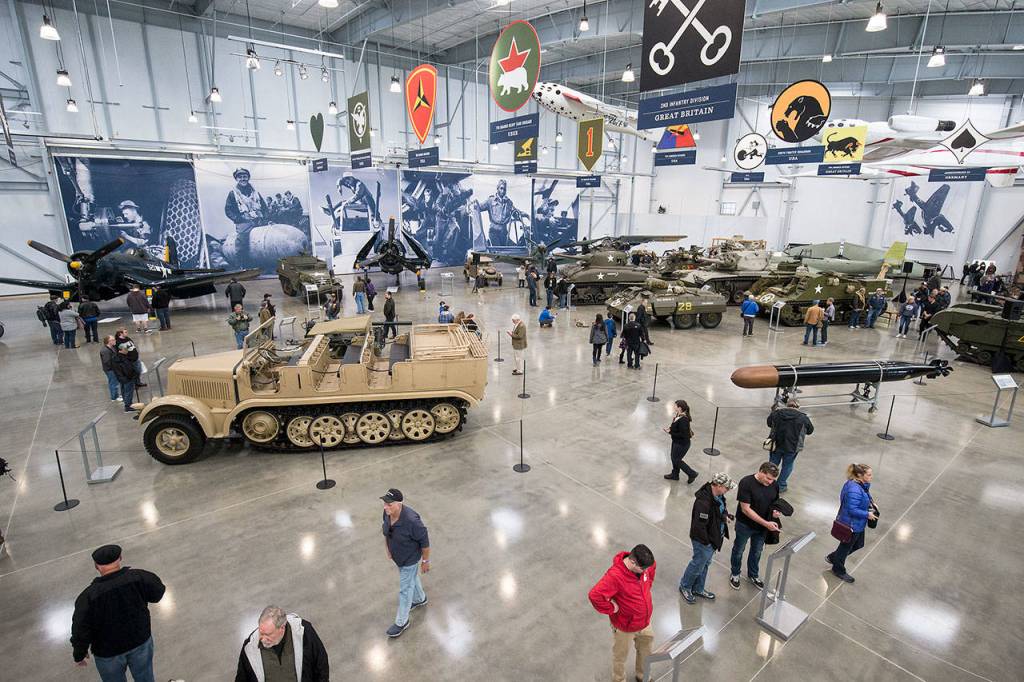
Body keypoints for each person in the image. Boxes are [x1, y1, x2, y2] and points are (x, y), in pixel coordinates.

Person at [71, 544, 165, 682]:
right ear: (120, 558)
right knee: (145, 677)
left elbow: (80, 629)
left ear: (96, 566)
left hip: (108, 654)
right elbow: (158, 593)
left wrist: (79, 653)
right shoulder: (139, 577)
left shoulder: (88, 597)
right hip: (140, 642)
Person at [587, 544, 657, 682]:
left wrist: (648, 586)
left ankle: (643, 676)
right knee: (620, 657)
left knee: (646, 652)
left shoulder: (645, 568)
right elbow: (595, 595)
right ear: (632, 562)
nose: (645, 572)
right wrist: (612, 608)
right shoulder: (615, 576)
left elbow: (652, 568)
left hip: (644, 622)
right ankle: (619, 679)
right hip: (624, 627)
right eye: (642, 569)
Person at [380, 488, 430, 638]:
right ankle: (420, 599)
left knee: (405, 589)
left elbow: (425, 543)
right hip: (398, 558)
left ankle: (402, 621)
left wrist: (425, 561)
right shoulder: (387, 513)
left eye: (389, 504)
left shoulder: (412, 521)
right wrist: (388, 548)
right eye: (384, 503)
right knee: (411, 580)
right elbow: (386, 531)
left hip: (410, 559)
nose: (385, 507)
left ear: (399, 504)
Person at [679, 473, 735, 604]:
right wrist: (707, 543)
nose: (728, 491)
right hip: (704, 541)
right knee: (698, 564)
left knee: (705, 564)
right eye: (727, 488)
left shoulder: (719, 496)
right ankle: (685, 586)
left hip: (713, 538)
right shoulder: (703, 502)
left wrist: (724, 516)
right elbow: (699, 527)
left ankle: (698, 588)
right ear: (719, 486)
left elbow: (721, 510)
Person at [235, 606, 330, 682]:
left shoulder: (303, 632)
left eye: (268, 634)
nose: (262, 639)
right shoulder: (250, 647)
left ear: (282, 628)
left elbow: (321, 665)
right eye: (261, 632)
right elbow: (242, 678)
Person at [730, 462, 781, 590]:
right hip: (745, 525)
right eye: (768, 478)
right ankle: (735, 573)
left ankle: (753, 574)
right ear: (761, 471)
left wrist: (775, 511)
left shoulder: (774, 484)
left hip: (762, 527)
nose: (770, 482)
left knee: (757, 551)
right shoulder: (746, 483)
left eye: (773, 480)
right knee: (739, 550)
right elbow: (745, 509)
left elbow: (775, 501)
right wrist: (766, 523)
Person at [827, 463, 877, 583]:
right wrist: (867, 514)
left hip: (858, 523)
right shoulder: (854, 489)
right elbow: (852, 509)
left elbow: (863, 497)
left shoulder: (861, 484)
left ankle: (833, 557)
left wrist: (871, 503)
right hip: (851, 525)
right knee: (845, 548)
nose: (871, 477)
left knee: (858, 544)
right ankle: (838, 569)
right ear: (860, 475)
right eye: (869, 475)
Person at [766, 399, 814, 492]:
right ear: (798, 407)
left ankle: (768, 482)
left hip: (776, 444)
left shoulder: (776, 413)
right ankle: (781, 486)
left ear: (787, 405)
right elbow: (810, 430)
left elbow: (769, 424)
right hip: (792, 447)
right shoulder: (803, 418)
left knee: (772, 464)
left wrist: (772, 412)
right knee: (787, 465)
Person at [224, 168, 268, 267]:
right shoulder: (233, 193)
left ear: (248, 178)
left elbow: (264, 207)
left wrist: (265, 218)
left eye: (245, 176)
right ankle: (242, 266)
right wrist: (238, 219)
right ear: (236, 179)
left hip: (259, 220)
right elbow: (228, 210)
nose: (243, 179)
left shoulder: (255, 192)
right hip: (244, 221)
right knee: (242, 242)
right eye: (240, 177)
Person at [663, 399, 697, 483]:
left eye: (675, 406)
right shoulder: (679, 414)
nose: (673, 407)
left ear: (680, 408)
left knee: (676, 460)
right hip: (676, 442)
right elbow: (676, 427)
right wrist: (671, 429)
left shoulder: (683, 420)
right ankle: (675, 474)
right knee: (673, 458)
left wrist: (670, 432)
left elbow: (684, 435)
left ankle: (692, 473)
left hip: (682, 444)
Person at [112, 342, 141, 411]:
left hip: (122, 378)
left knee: (124, 391)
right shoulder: (122, 358)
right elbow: (127, 369)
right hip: (127, 378)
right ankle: (128, 406)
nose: (127, 351)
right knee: (128, 392)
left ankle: (127, 403)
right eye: (126, 350)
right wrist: (133, 374)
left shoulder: (116, 357)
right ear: (122, 350)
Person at [100, 336, 121, 402]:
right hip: (110, 370)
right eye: (113, 340)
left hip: (113, 368)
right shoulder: (105, 350)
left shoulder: (112, 347)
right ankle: (114, 397)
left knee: (114, 382)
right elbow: (107, 362)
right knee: (113, 383)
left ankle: (116, 395)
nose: (115, 340)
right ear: (108, 342)